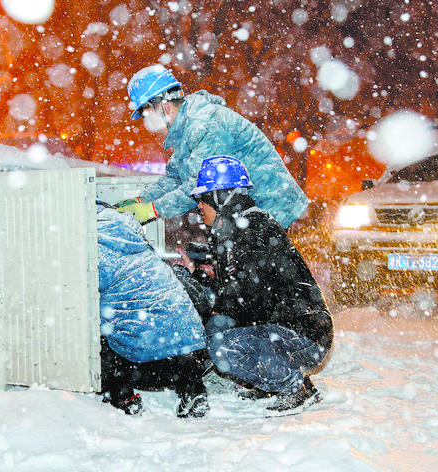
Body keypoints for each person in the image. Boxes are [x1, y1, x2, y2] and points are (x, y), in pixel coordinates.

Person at [181, 155, 333, 417]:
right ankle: (272, 381)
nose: (199, 206)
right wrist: (201, 277)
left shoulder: (254, 227)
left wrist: (212, 304)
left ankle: (296, 388)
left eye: (203, 198)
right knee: (219, 327)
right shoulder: (232, 230)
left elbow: (247, 293)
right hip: (282, 327)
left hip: (305, 333)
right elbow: (238, 292)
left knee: (221, 345)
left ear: (221, 198)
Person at [115, 64, 309, 230]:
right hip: (251, 215)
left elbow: (198, 187)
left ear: (164, 107)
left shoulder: (205, 125)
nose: (148, 126)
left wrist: (152, 210)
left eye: (148, 116)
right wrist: (141, 200)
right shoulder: (186, 129)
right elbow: (175, 178)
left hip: (277, 212)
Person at [96, 202, 211, 418]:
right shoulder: (138, 243)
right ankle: (194, 390)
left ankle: (123, 398)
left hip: (146, 365)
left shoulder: (93, 244)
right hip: (192, 358)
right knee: (170, 327)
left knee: (101, 331)